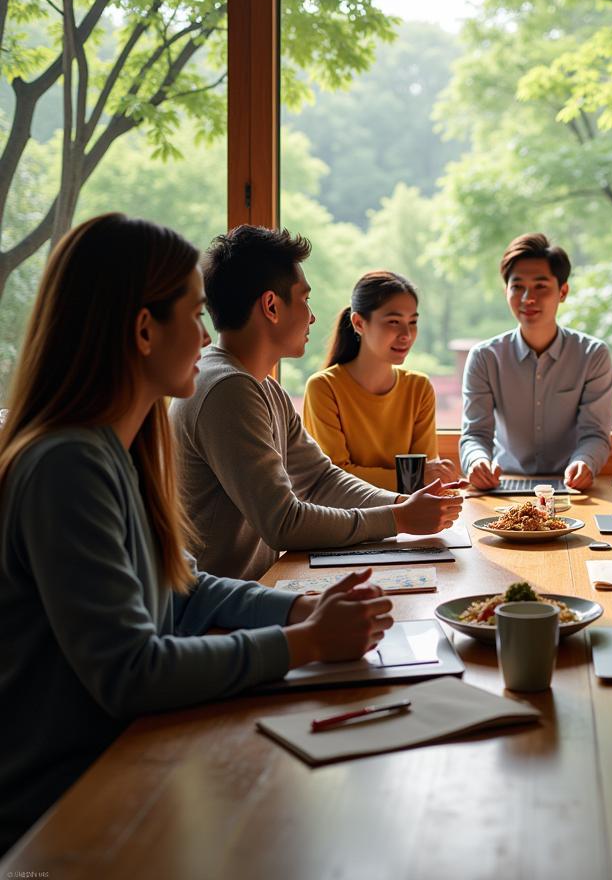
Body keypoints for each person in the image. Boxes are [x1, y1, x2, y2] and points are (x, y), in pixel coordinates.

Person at [0, 214, 396, 853]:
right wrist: (305, 642)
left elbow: (179, 587)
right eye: (193, 313)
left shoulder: (120, 447)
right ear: (143, 330)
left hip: (134, 756)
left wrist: (298, 606)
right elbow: (132, 670)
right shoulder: (66, 466)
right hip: (67, 813)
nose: (207, 332)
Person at [169, 226, 461, 581]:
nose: (312, 316)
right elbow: (284, 523)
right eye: (305, 300)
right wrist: (397, 519)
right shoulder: (227, 388)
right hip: (211, 610)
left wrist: (401, 504)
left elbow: (320, 480)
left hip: (256, 589)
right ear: (271, 306)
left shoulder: (264, 388)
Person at [459, 233, 612, 492]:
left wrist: (585, 462)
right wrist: (477, 462)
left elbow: (595, 434)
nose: (527, 298)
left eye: (541, 286)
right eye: (517, 286)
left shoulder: (592, 355)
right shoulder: (485, 357)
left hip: (571, 490)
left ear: (563, 291)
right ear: (506, 290)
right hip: (503, 486)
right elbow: (475, 434)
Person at [303, 271, 458, 490]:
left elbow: (425, 475)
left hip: (410, 518)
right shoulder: (324, 388)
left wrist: (430, 475)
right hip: (347, 519)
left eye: (412, 322)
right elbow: (334, 478)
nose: (406, 334)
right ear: (358, 323)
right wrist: (412, 477)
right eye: (394, 321)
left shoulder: (419, 388)